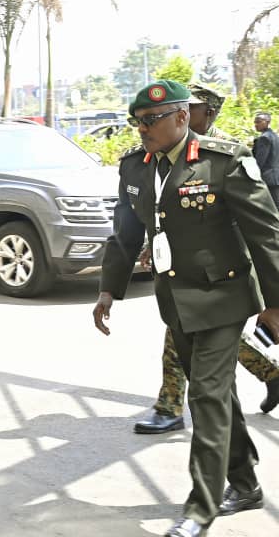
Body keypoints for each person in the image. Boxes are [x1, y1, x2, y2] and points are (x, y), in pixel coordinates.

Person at [93, 79, 279, 537]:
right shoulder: (136, 168)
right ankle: (246, 483)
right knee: (217, 396)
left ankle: (201, 508)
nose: (143, 129)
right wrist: (108, 290)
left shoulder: (223, 160)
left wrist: (275, 303)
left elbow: (266, 232)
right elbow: (125, 234)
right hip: (175, 300)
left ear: (181, 117)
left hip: (225, 297)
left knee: (205, 397)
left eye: (152, 120)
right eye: (138, 122)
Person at [134, 84, 279, 435]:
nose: (181, 110)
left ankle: (171, 407)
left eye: (191, 107)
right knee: (199, 339)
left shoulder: (223, 153)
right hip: (182, 271)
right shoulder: (166, 150)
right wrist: (150, 243)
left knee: (190, 339)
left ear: (206, 112)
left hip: (223, 272)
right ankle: (269, 377)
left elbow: (258, 224)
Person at [252, 110, 279, 207]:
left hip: (268, 179)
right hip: (275, 177)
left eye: (258, 121)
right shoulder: (275, 136)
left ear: (267, 122)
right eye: (255, 122)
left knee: (270, 207)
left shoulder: (264, 138)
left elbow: (260, 162)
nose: (256, 124)